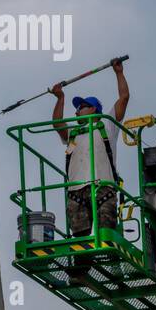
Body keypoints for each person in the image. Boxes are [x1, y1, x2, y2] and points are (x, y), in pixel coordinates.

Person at [51, 59, 130, 240]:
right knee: (80, 239)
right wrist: (60, 98)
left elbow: (124, 99)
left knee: (106, 237)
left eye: (81, 107)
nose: (77, 111)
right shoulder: (73, 132)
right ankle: (82, 267)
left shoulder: (107, 124)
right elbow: (57, 123)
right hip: (76, 190)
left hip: (103, 187)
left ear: (93, 109)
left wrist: (119, 72)